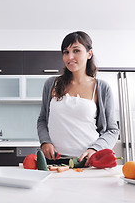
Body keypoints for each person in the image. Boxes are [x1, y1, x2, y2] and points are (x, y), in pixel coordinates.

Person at [37, 31, 119, 166]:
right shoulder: (51, 84)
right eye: (66, 52)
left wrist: (95, 149)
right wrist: (45, 141)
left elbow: (112, 130)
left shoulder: (101, 87)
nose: (70, 57)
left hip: (88, 162)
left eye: (76, 51)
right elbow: (42, 119)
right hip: (54, 162)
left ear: (89, 53)